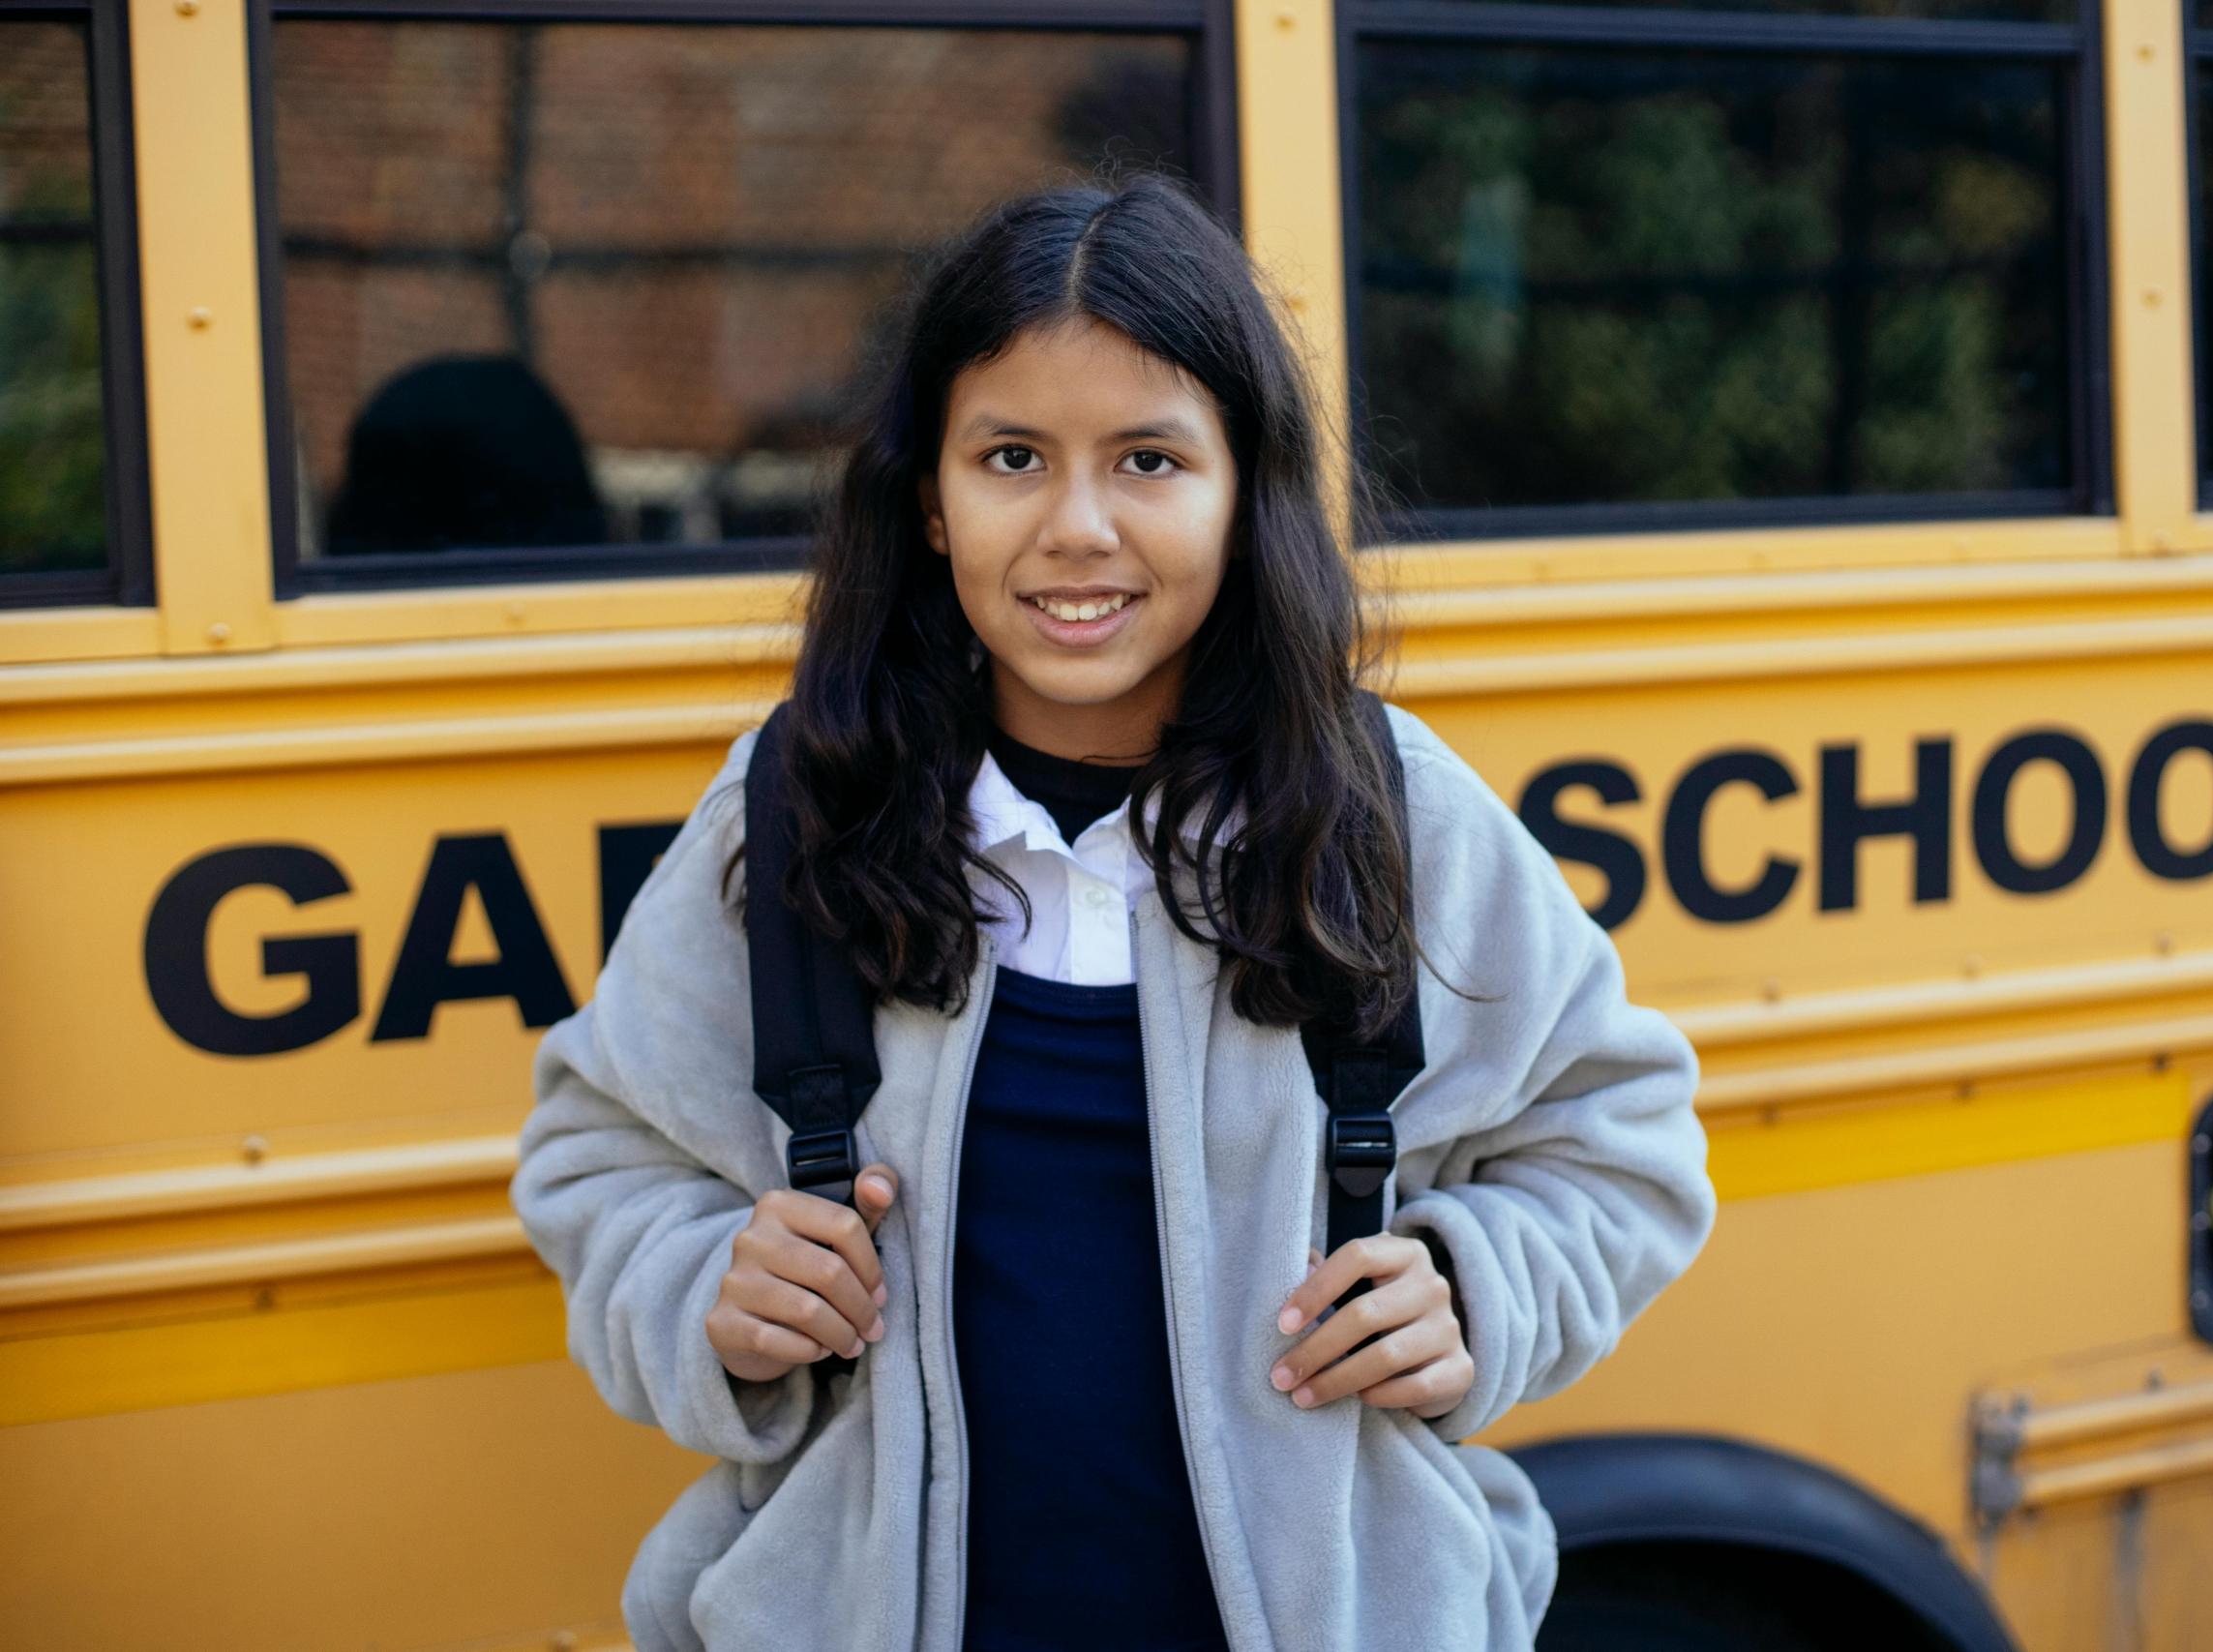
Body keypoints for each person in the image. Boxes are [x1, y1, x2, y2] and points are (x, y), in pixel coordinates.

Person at [509, 171, 1717, 1652]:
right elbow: (598, 1151)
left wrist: (1475, 1284)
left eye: (1150, 459)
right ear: (932, 508)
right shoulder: (802, 813)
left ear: (1245, 494)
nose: (1078, 527)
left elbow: (1625, 1134)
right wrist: (710, 1288)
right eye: (1012, 455)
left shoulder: (1383, 815)